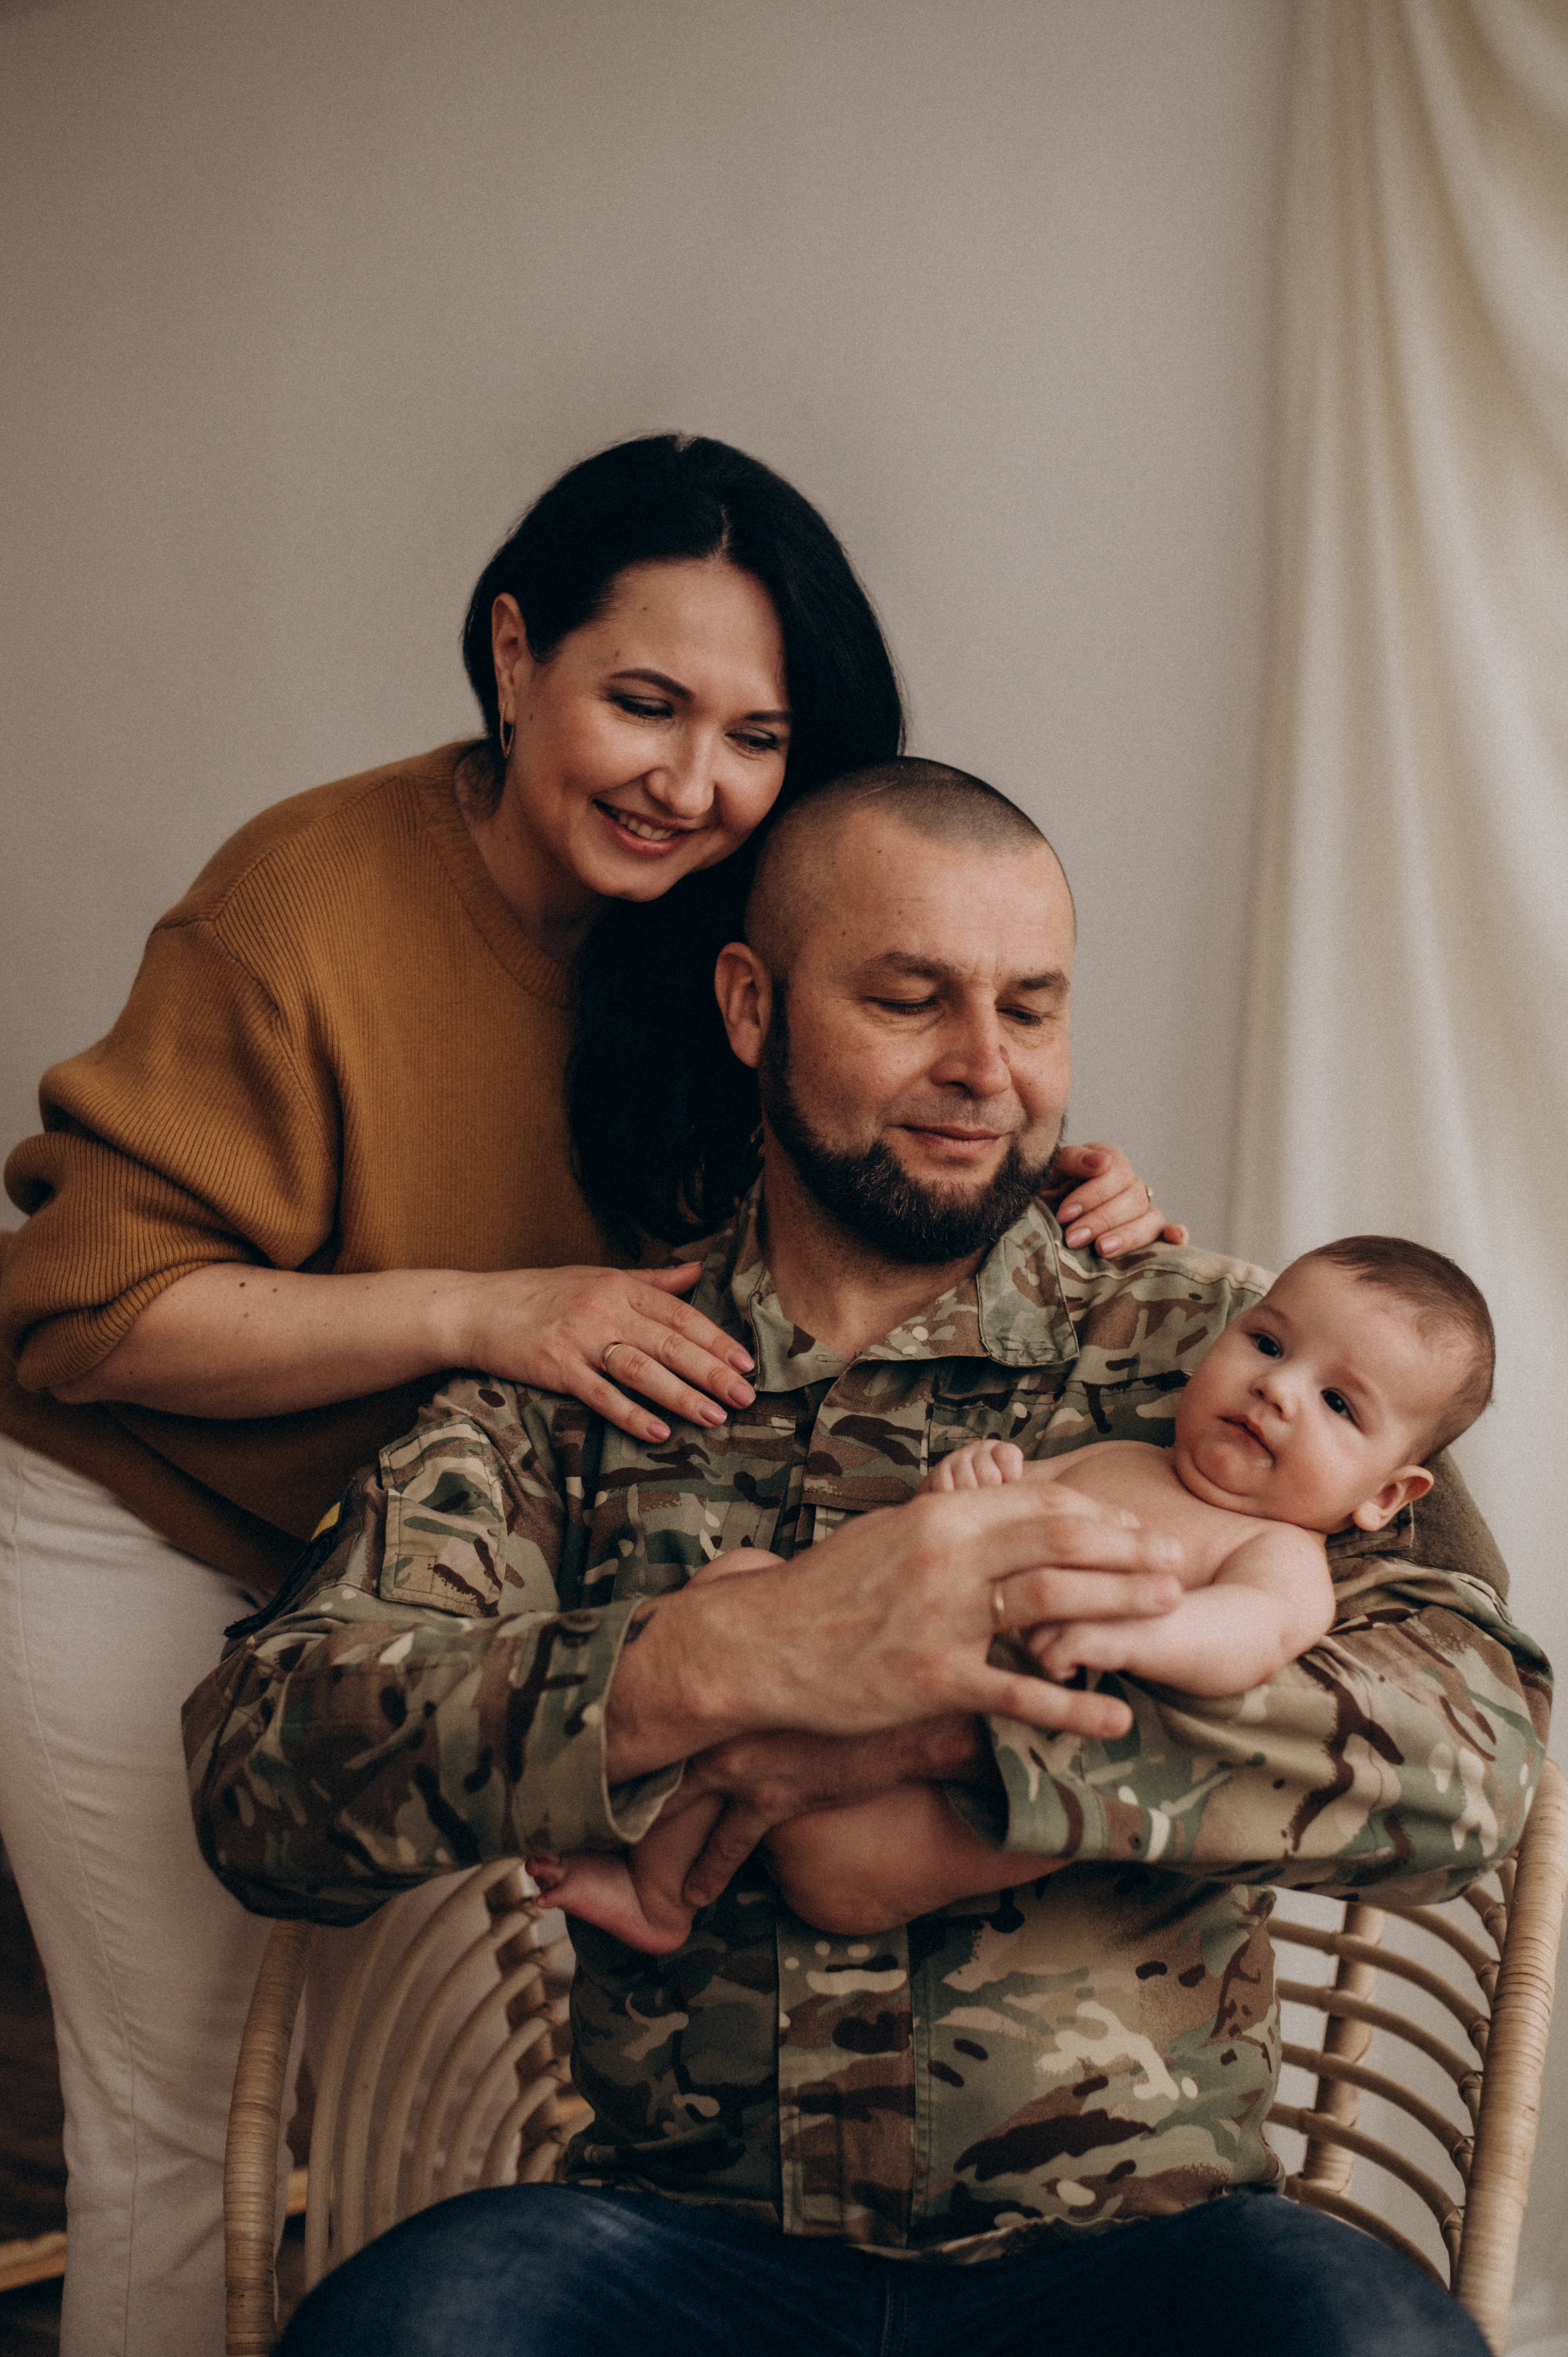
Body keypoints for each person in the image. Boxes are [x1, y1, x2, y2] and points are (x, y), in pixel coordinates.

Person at [0, 441, 1175, 2357]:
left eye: (757, 735)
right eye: (644, 703)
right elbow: (87, 1312)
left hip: (431, 1543)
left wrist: (1040, 1186)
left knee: (407, 2133)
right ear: (512, 654)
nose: (693, 783)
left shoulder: (710, 931)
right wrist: (487, 1308)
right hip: (147, 1516)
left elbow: (830, 1163)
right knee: (187, 2118)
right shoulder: (304, 901)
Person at [186, 759, 1549, 2357]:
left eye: (1030, 1011)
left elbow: (1472, 1757)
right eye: (912, 1000)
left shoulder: (1236, 1362)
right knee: (410, 2335)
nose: (986, 1070)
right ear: (752, 1005)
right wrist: (711, 1665)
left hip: (1145, 2255)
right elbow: (267, 1774)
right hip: (678, 2245)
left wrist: (939, 1726)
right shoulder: (596, 1382)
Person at [527, 1233, 1496, 1952]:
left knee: (838, 1856)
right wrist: (974, 1488)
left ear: (1387, 1497)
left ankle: (693, 1885)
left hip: (948, 1807)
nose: (1280, 1390)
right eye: (1269, 1346)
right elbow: (959, 1547)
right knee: (736, 1584)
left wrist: (1137, 1637)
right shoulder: (1121, 1456)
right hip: (887, 1679)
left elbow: (1248, 1636)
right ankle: (662, 1897)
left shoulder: (1277, 1552)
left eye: (1338, 1403)